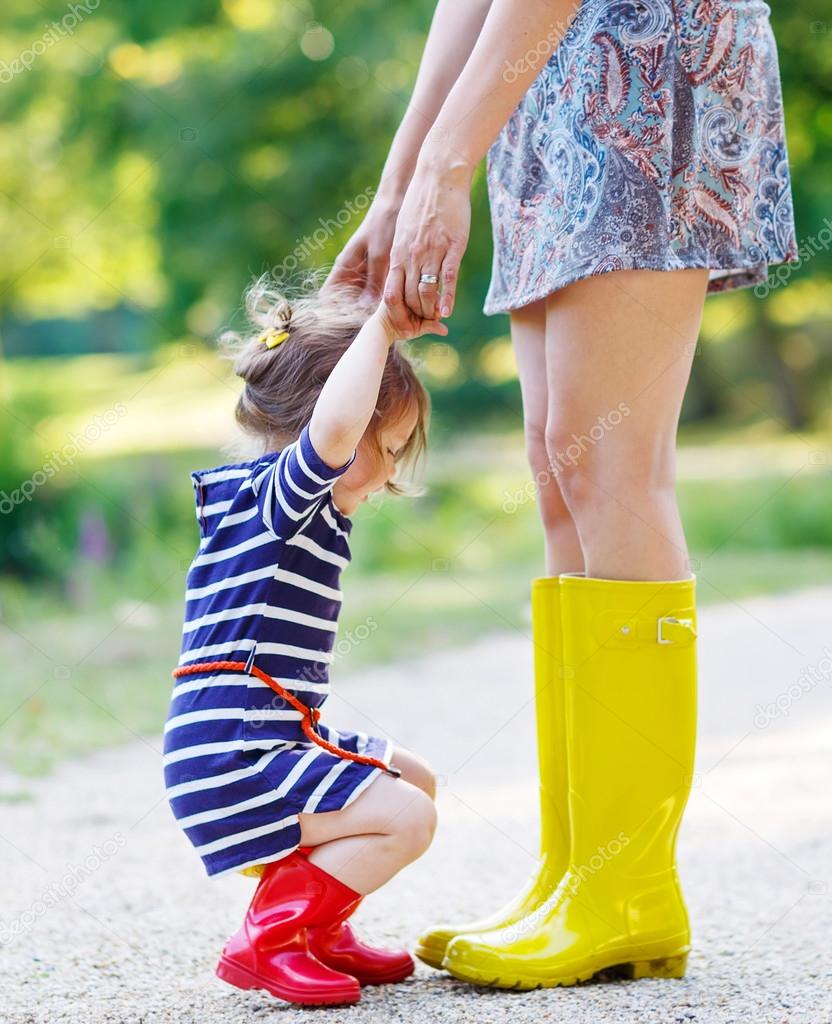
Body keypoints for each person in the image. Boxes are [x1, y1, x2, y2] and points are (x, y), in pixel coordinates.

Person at [326, 0, 799, 991]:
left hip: (643, 56)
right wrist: (401, 180)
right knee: (562, 473)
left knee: (614, 466)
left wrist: (446, 167)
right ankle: (576, 875)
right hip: (539, 84)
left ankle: (627, 885)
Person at [162, 274, 448, 1006]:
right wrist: (379, 330)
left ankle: (319, 929)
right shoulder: (278, 500)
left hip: (268, 738)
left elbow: (340, 436)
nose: (388, 470)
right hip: (236, 754)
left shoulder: (277, 507)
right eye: (381, 445)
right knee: (408, 817)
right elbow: (334, 434)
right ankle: (269, 939)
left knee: (414, 780)